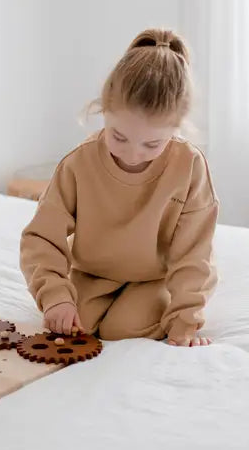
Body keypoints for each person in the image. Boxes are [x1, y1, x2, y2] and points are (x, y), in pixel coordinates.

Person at [19, 29, 218, 347]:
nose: (132, 153)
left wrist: (185, 319)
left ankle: (157, 304)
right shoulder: (79, 163)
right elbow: (42, 237)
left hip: (155, 277)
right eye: (118, 137)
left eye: (152, 144)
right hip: (93, 275)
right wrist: (55, 296)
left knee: (122, 329)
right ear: (102, 110)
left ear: (176, 128)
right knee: (74, 325)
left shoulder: (189, 165)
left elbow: (193, 252)